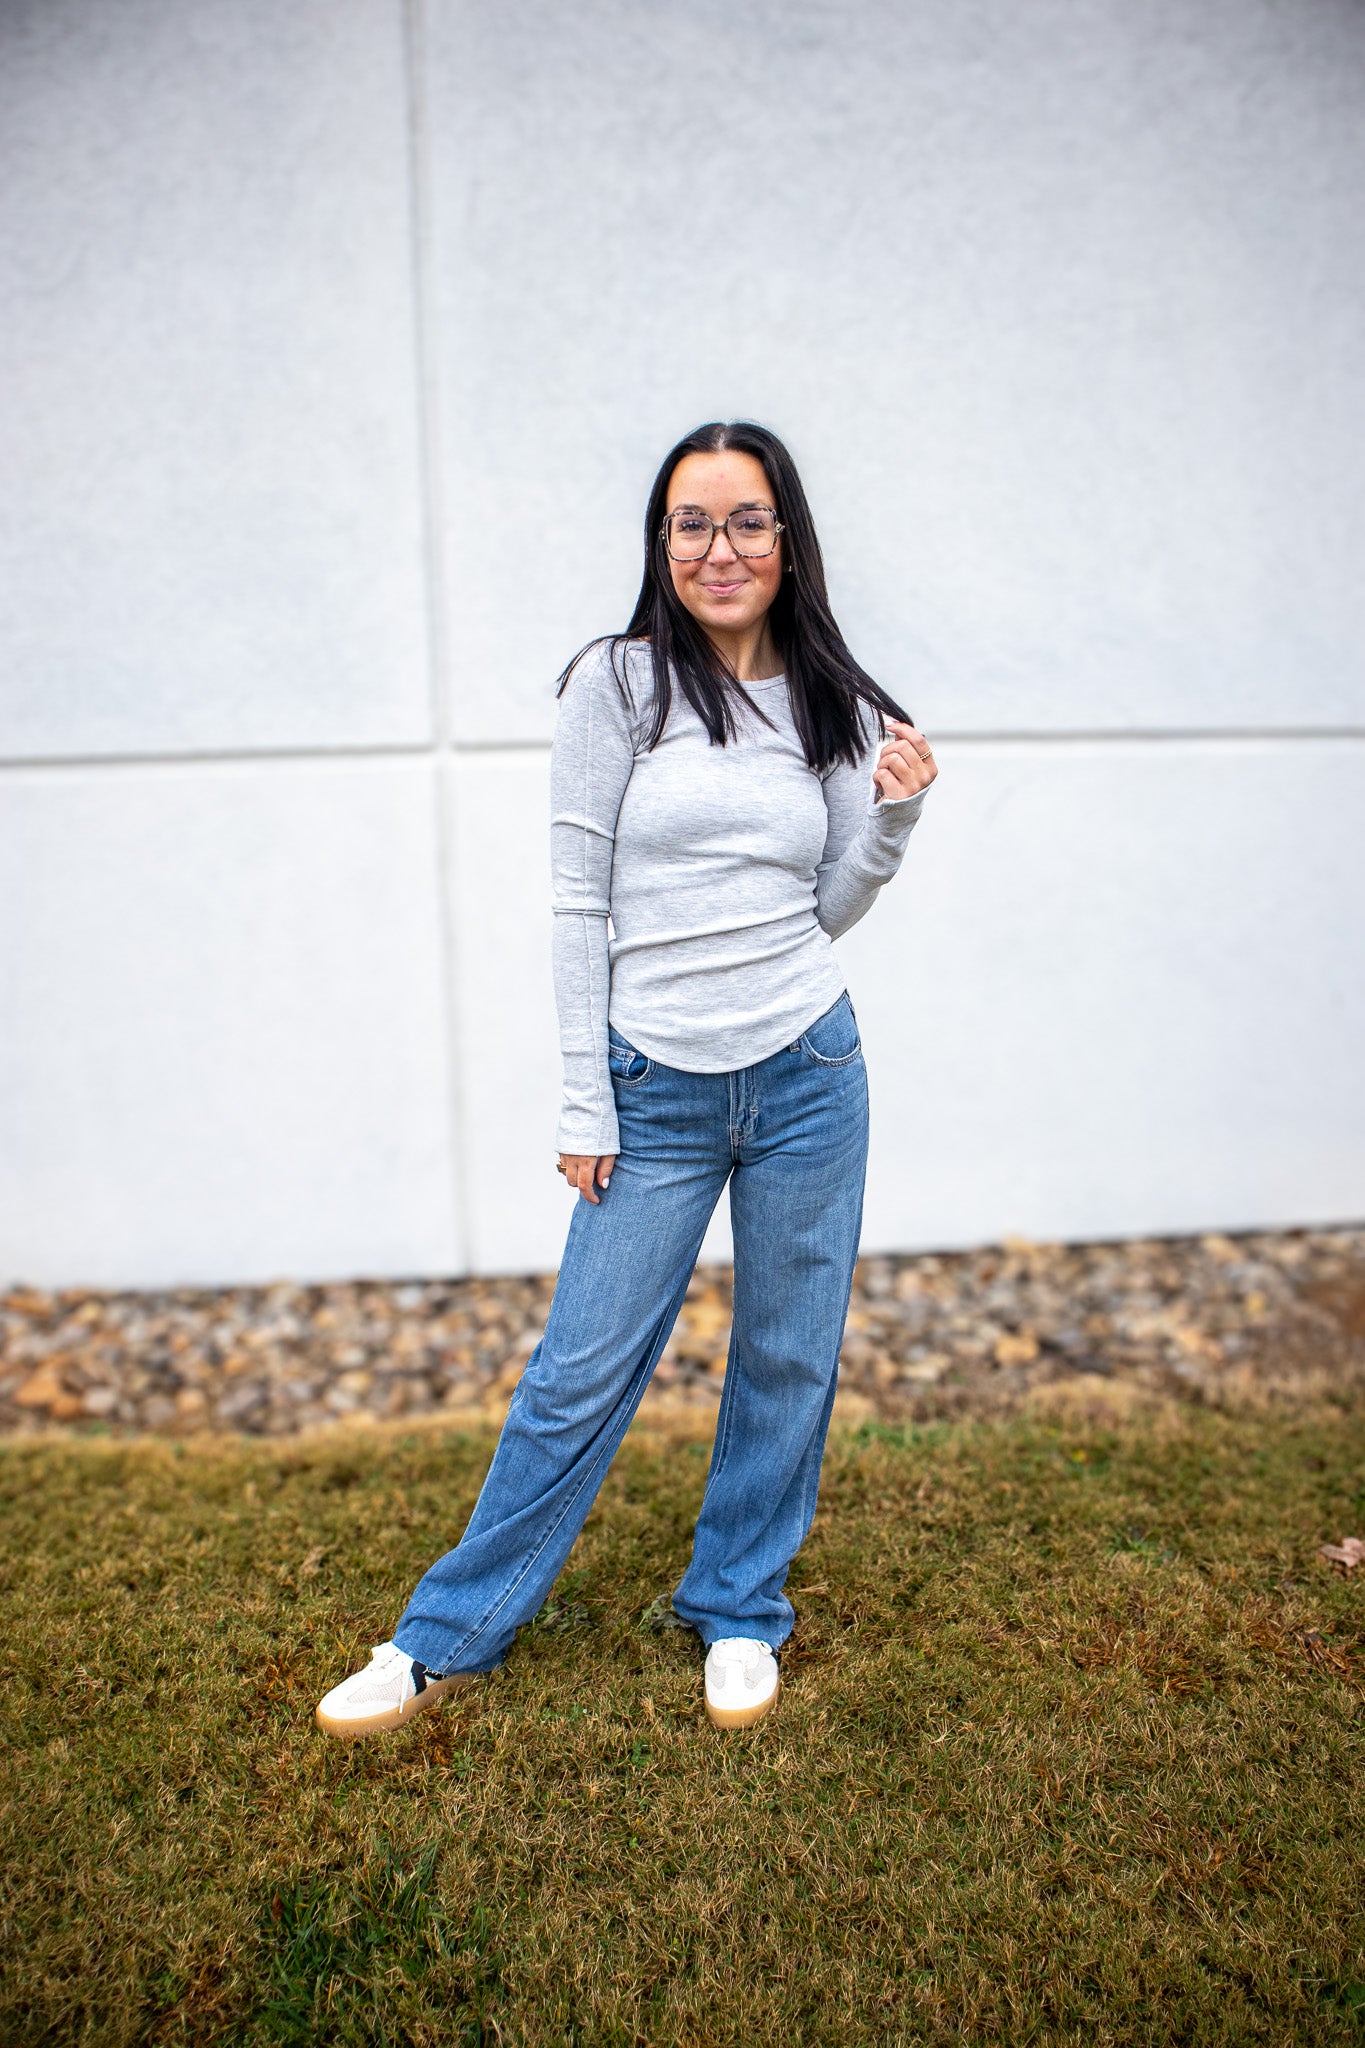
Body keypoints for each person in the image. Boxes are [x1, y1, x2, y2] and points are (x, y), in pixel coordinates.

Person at [315, 420, 937, 1738]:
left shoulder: (828, 701)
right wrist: (583, 1099)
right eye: (692, 524)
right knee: (578, 1371)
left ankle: (738, 1606)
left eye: (746, 521)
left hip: (808, 1070)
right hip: (651, 1088)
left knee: (786, 1354)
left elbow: (825, 905)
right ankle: (443, 1635)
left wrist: (889, 814)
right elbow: (570, 903)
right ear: (661, 544)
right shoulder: (615, 685)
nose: (721, 549)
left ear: (786, 537)